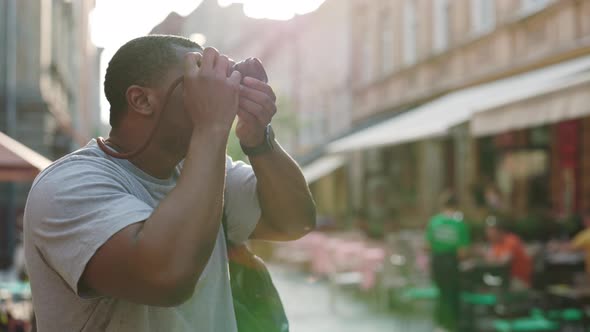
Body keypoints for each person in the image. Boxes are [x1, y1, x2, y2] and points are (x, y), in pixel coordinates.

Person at [23, 35, 316, 331]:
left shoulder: (205, 169)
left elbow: (294, 222)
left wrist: (259, 139)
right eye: (197, 79)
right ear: (142, 100)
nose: (218, 91)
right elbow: (166, 279)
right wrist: (212, 126)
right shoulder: (68, 184)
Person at [426, 192, 470, 332]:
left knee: (441, 292)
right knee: (452, 293)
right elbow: (462, 252)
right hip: (451, 262)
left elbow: (427, 246)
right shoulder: (460, 223)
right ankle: (452, 325)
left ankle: (440, 324)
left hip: (437, 261)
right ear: (456, 206)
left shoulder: (434, 221)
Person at [485, 217, 532, 289]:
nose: (489, 234)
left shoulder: (512, 240)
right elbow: (488, 259)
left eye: (492, 231)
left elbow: (504, 261)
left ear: (500, 231)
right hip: (505, 279)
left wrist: (492, 258)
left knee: (493, 287)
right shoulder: (496, 244)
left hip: (519, 281)